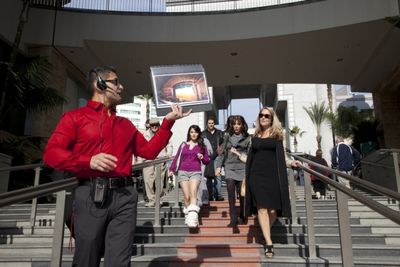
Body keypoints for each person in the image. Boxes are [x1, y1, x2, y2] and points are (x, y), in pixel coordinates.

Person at [43, 66, 191, 267]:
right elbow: (51, 154)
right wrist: (88, 161)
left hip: (125, 197)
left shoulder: (125, 124)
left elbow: (148, 151)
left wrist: (167, 123)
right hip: (90, 195)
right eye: (115, 81)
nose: (121, 87)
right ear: (99, 84)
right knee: (86, 259)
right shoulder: (74, 118)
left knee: (119, 262)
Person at [244, 107, 301, 258]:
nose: (263, 118)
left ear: (271, 119)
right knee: (262, 209)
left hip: (273, 177)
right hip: (256, 177)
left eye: (266, 116)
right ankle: (269, 242)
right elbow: (250, 158)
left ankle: (265, 230)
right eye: (261, 115)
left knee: (273, 211)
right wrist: (239, 157)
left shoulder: (277, 136)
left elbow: (282, 157)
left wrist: (291, 164)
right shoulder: (254, 136)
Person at [169, 125, 209, 228]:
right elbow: (177, 157)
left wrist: (202, 157)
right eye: (191, 132)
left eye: (195, 132)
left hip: (195, 172)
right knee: (186, 197)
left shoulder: (202, 146)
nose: (193, 134)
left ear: (198, 134)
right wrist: (171, 169)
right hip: (183, 172)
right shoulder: (183, 145)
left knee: (193, 193)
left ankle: (193, 218)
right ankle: (188, 214)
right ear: (189, 133)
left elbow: (207, 161)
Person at [216, 115, 251, 227]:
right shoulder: (227, 136)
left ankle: (243, 215)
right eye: (234, 124)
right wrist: (218, 167)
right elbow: (222, 153)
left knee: (242, 195)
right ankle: (233, 219)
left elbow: (250, 155)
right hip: (229, 167)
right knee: (231, 194)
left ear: (242, 125)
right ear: (231, 125)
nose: (236, 126)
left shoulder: (248, 137)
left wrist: (240, 154)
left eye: (238, 124)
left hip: (242, 167)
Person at [140, 118, 173, 207]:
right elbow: (140, 146)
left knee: (159, 180)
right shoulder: (144, 134)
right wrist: (141, 160)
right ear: (149, 126)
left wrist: (167, 155)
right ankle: (151, 199)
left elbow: (169, 145)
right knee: (148, 180)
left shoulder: (162, 133)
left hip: (160, 158)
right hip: (147, 160)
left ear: (159, 125)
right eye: (152, 125)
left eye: (156, 125)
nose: (154, 127)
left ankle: (159, 199)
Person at [201, 116, 224, 201]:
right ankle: (209, 196)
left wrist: (221, 152)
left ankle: (218, 195)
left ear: (214, 124)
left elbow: (223, 144)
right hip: (208, 157)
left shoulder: (220, 133)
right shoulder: (203, 133)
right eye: (209, 123)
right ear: (207, 124)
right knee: (208, 177)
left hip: (217, 157)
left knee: (217, 175)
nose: (211, 125)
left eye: (212, 123)